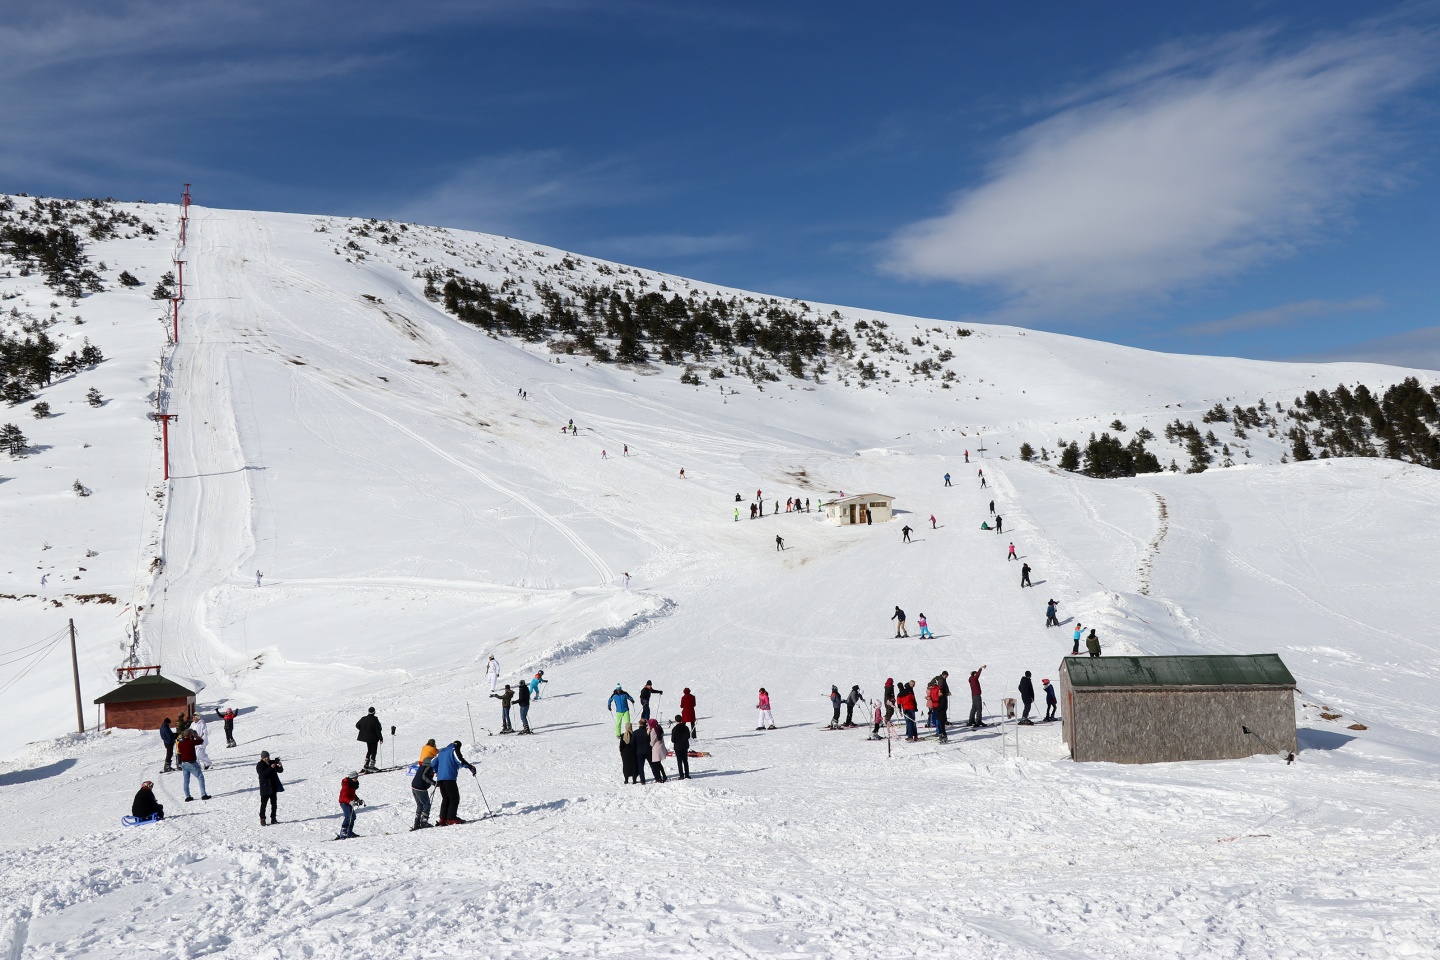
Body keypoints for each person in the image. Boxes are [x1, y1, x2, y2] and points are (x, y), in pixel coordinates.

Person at [433, 741, 476, 825]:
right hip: (449, 778)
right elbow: (459, 760)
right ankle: (451, 818)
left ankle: (443, 818)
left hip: (440, 779)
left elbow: (433, 763)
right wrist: (470, 767)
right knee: (454, 798)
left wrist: (438, 771)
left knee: (446, 798)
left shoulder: (441, 752)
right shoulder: (453, 749)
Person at [176, 731, 209, 801]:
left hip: (184, 763)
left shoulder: (180, 742)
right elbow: (201, 741)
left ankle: (187, 796)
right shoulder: (191, 742)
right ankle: (203, 795)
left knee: (186, 780)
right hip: (192, 763)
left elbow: (179, 741)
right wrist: (195, 735)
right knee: (200, 777)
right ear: (190, 735)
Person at [256, 751, 284, 825]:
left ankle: (273, 818)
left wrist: (280, 766)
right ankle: (262, 819)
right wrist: (271, 768)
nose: (267, 758)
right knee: (263, 804)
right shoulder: (260, 765)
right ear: (262, 758)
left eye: (267, 757)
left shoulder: (272, 762)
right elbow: (263, 775)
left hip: (273, 786)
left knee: (274, 804)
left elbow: (279, 771)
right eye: (265, 757)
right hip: (265, 787)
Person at [411, 758, 437, 829]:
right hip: (420, 787)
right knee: (426, 804)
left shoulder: (422, 765)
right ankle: (424, 822)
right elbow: (424, 776)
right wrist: (433, 783)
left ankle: (417, 823)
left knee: (420, 804)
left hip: (414, 786)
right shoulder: (429, 767)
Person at [337, 772, 362, 839]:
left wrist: (358, 800)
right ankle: (343, 832)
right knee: (348, 817)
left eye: (357, 777)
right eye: (355, 778)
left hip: (349, 802)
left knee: (353, 817)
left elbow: (352, 794)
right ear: (351, 778)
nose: (356, 779)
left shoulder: (352, 784)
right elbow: (343, 797)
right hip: (344, 803)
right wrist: (350, 801)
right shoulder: (346, 785)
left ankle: (349, 832)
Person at [671, 715, 691, 779]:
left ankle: (681, 775)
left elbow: (673, 740)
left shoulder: (674, 729)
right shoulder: (686, 728)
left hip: (678, 747)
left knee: (679, 762)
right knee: (685, 761)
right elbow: (688, 736)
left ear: (675, 720)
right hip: (685, 746)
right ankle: (687, 774)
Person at [937, 670, 951, 735]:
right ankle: (941, 732)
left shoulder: (943, 679)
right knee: (941, 714)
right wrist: (944, 693)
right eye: (945, 676)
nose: (946, 677)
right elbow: (941, 689)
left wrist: (947, 692)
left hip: (943, 698)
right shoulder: (941, 680)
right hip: (942, 700)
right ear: (943, 675)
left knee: (944, 710)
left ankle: (944, 721)